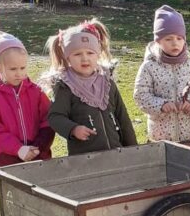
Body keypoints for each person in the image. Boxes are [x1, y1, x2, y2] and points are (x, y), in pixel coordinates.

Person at [0, 30, 54, 216]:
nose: (19, 73)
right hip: (10, 155)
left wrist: (40, 145)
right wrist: (17, 148)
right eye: (13, 69)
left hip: (37, 152)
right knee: (17, 195)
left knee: (42, 191)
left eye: (23, 68)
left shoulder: (35, 90)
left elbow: (47, 118)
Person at [43, 21, 137, 155]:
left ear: (98, 54)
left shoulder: (106, 81)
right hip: (85, 158)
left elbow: (123, 118)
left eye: (90, 53)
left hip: (117, 153)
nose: (84, 58)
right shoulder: (66, 86)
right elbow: (55, 116)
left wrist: (133, 148)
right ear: (67, 57)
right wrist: (73, 129)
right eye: (77, 54)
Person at [133, 5, 190, 147]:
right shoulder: (149, 67)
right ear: (158, 41)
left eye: (179, 38)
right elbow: (141, 95)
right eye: (168, 39)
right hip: (161, 135)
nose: (175, 43)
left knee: (188, 166)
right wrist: (161, 105)